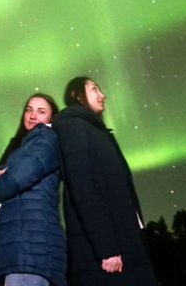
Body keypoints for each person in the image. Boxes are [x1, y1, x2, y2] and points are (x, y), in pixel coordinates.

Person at [53, 77, 159, 286]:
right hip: (108, 254)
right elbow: (81, 187)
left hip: (125, 243)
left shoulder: (97, 131)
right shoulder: (74, 127)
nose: (103, 95)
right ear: (77, 96)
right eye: (94, 89)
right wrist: (106, 248)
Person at [0, 93, 67, 286]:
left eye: (41, 111)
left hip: (29, 251)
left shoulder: (47, 138)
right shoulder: (22, 147)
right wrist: (0, 172)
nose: (32, 116)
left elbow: (17, 177)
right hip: (16, 252)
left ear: (51, 118)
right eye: (29, 109)